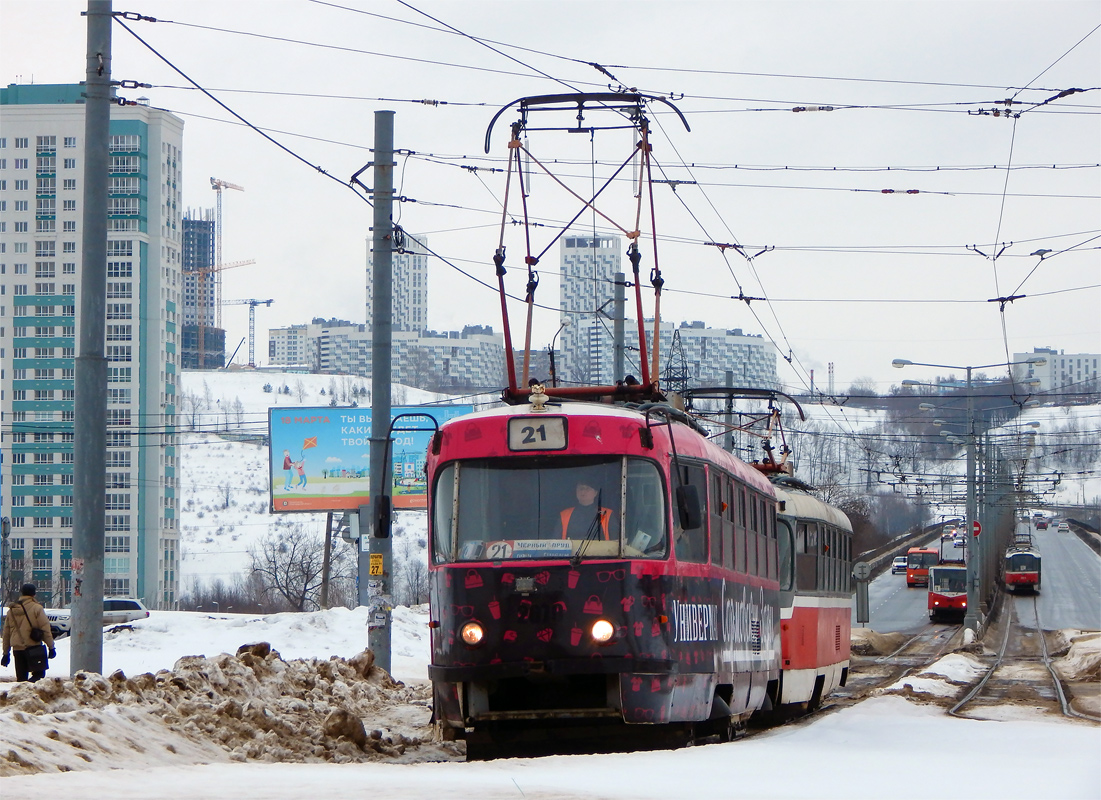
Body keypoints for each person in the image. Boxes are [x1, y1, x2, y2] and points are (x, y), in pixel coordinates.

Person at [1, 583, 56, 682]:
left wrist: (6, 653)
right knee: (39, 675)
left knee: (21, 680)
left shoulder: (11, 611)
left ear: (21, 593)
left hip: (17, 649)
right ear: (34, 594)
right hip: (34, 647)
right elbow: (45, 629)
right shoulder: (37, 608)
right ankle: (32, 693)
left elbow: (6, 634)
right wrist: (51, 647)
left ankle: (22, 696)